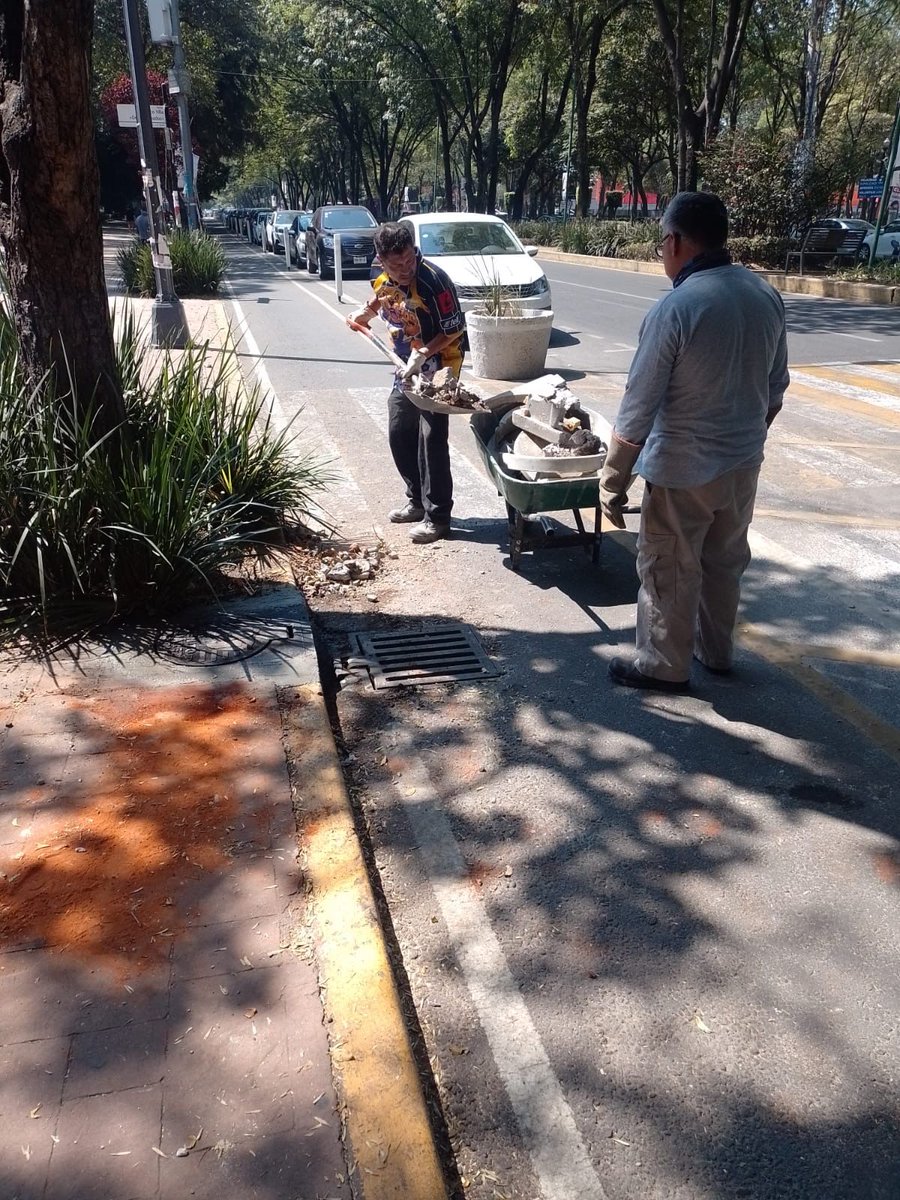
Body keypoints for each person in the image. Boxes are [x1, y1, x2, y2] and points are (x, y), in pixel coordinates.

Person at [600, 191, 789, 693]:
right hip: (742, 466)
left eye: (664, 239)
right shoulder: (763, 294)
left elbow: (637, 406)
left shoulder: (678, 307)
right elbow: (776, 389)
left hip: (682, 471)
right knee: (724, 562)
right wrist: (742, 440)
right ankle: (717, 652)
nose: (663, 249)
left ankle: (663, 666)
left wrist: (612, 481)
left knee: (669, 567)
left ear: (677, 240)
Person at [346, 222, 465, 544]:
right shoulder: (381, 273)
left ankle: (438, 517)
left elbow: (454, 328)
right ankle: (416, 500)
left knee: (431, 438)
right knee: (400, 429)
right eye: (396, 264)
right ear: (382, 260)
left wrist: (424, 353)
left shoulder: (434, 280)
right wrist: (365, 314)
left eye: (409, 260)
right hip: (405, 364)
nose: (405, 269)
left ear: (414, 250)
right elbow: (383, 295)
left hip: (441, 363)